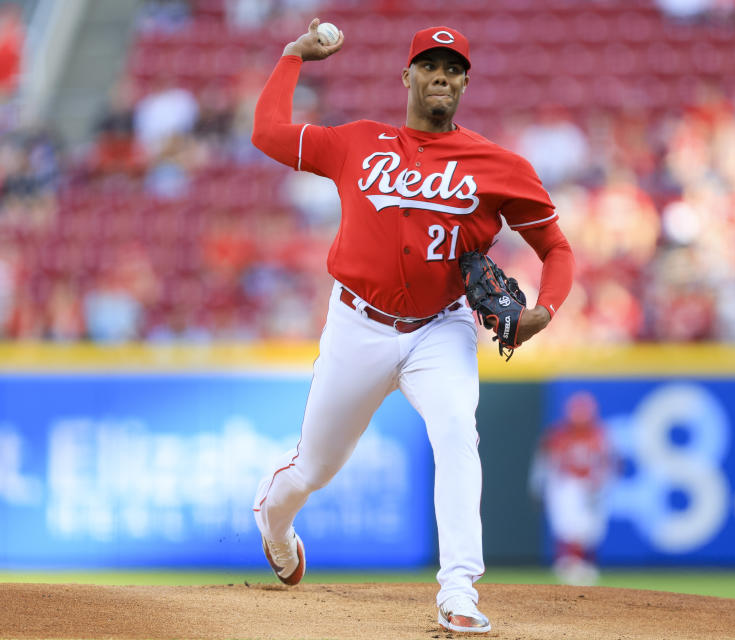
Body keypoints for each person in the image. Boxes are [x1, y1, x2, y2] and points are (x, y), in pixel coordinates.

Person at [250, 20, 574, 634]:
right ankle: (274, 517)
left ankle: (459, 590)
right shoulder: (357, 143)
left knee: (456, 431)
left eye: (453, 69)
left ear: (466, 83)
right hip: (357, 324)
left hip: (441, 327)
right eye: (430, 66)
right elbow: (267, 132)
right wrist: (293, 56)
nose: (441, 77)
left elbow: (557, 249)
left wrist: (546, 310)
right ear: (407, 75)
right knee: (314, 470)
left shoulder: (497, 166)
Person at [529, 391, 617, 586]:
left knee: (591, 529)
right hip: (565, 485)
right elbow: (545, 463)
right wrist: (538, 486)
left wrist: (602, 484)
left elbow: (610, 463)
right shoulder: (558, 435)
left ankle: (585, 565)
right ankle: (569, 564)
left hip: (591, 486)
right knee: (568, 527)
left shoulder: (600, 435)